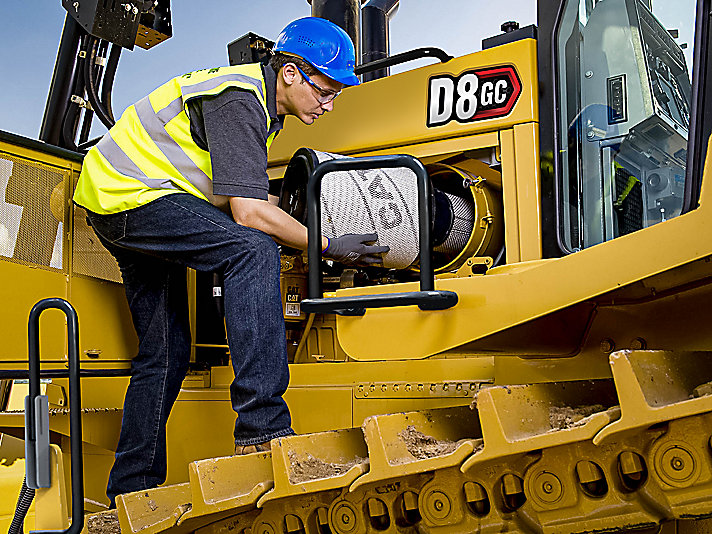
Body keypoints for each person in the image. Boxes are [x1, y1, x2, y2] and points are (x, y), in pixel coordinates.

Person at [73, 17, 389, 506]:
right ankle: (263, 428)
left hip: (117, 200)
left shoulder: (261, 108)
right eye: (325, 90)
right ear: (290, 72)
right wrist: (326, 245)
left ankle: (131, 491)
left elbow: (235, 196)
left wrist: (293, 218)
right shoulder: (241, 101)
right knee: (252, 249)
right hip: (132, 199)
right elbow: (247, 213)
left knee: (165, 352)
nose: (328, 103)